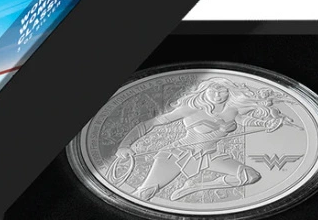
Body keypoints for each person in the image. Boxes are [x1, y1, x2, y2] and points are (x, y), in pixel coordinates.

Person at [114, 78, 295, 202]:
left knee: (251, 176)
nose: (218, 95)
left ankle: (195, 186)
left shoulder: (232, 110)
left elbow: (246, 121)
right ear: (204, 90)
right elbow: (151, 123)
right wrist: (124, 145)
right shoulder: (190, 108)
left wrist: (268, 123)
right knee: (143, 195)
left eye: (223, 91)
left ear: (229, 92)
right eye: (213, 90)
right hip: (178, 154)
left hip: (210, 155)